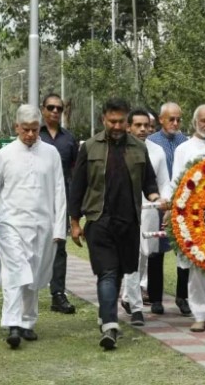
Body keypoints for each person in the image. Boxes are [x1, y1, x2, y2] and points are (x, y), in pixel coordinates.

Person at [69, 98, 162, 350]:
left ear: (127, 122)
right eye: (113, 121)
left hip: (129, 222)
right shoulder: (89, 147)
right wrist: (75, 222)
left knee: (121, 271)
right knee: (107, 272)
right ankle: (110, 325)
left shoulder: (139, 148)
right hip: (99, 220)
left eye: (121, 121)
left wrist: (156, 198)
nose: (117, 126)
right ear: (103, 120)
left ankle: (105, 314)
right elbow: (77, 187)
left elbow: (149, 183)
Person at [0, 105, 66, 349]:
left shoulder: (51, 153)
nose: (31, 135)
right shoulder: (5, 154)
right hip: (10, 223)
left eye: (34, 130)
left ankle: (27, 322)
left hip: (42, 223)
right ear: (16, 128)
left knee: (33, 275)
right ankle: (12, 324)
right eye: (26, 130)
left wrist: (59, 229)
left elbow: (59, 191)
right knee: (15, 272)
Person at [164, 104, 205, 332]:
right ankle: (199, 314)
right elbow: (177, 181)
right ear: (195, 122)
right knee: (197, 265)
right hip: (194, 215)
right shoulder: (184, 149)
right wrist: (171, 209)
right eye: (204, 121)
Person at [121, 109, 169, 323]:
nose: (143, 130)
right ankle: (132, 300)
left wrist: (163, 203)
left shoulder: (157, 151)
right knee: (132, 254)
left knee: (145, 253)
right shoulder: (119, 149)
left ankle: (129, 296)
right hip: (125, 210)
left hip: (149, 210)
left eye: (146, 126)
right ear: (128, 127)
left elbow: (163, 182)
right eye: (138, 125)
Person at [147, 102, 192, 316]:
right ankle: (155, 298)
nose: (175, 123)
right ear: (160, 119)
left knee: (184, 252)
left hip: (183, 206)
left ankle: (182, 297)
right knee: (156, 252)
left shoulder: (187, 143)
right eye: (170, 119)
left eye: (178, 119)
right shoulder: (151, 143)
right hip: (158, 204)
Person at [39, 93, 80, 315]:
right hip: (35, 201)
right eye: (51, 107)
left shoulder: (69, 139)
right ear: (43, 109)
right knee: (33, 246)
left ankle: (58, 294)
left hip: (61, 200)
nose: (55, 111)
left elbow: (75, 172)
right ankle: (28, 291)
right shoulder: (34, 135)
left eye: (59, 108)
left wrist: (74, 203)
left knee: (59, 246)